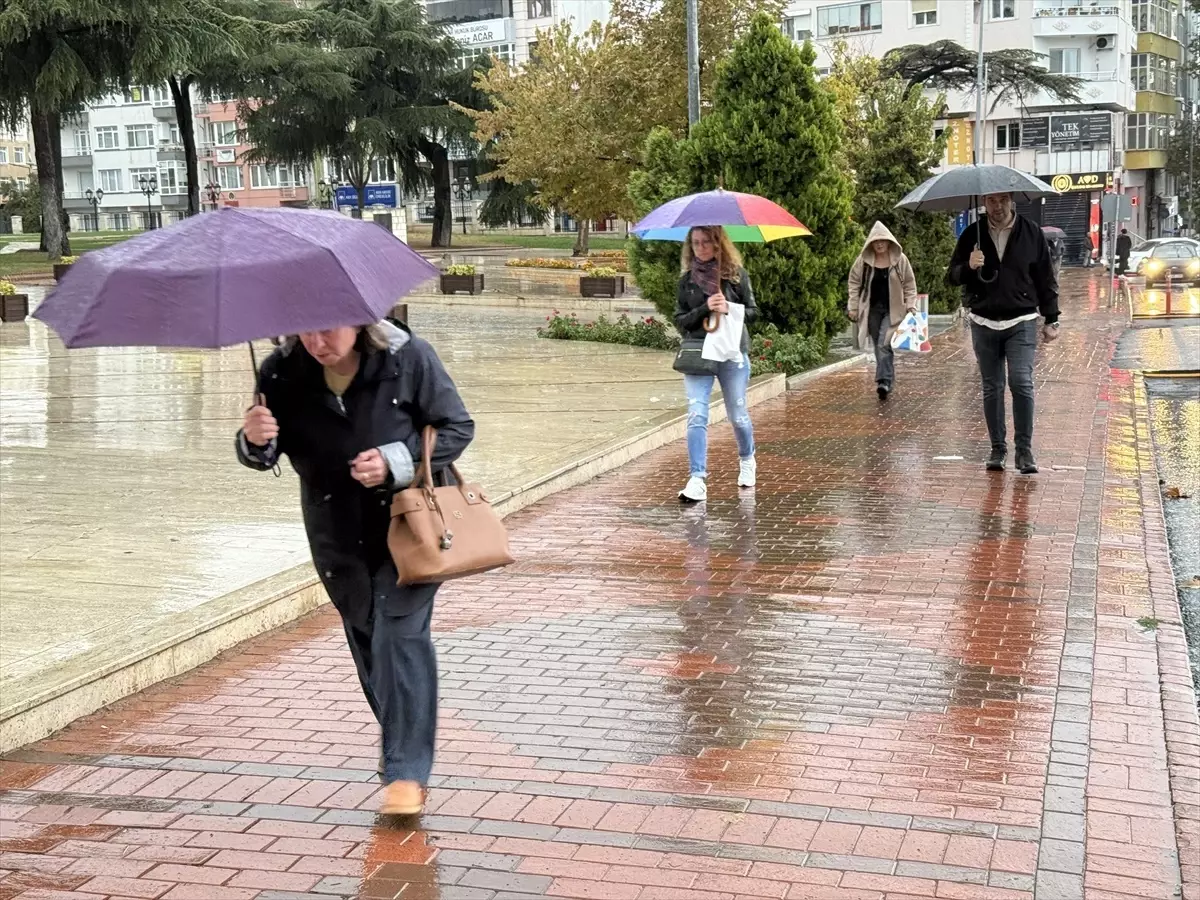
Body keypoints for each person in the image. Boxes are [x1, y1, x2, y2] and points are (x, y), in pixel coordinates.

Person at [236, 320, 474, 817]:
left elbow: (456, 426)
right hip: (336, 535)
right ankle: (401, 741)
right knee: (369, 640)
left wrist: (394, 462)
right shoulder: (280, 371)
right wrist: (254, 440)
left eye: (327, 330)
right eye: (304, 331)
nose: (316, 342)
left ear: (359, 320)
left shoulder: (408, 357)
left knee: (398, 635)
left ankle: (406, 773)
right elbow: (266, 453)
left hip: (410, 526)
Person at [948, 192, 1060, 475]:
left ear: (1012, 201)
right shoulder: (971, 234)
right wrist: (969, 267)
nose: (997, 206)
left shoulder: (1031, 232)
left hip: (1021, 319)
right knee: (992, 387)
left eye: (1002, 200)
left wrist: (1052, 318)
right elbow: (951, 276)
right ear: (984, 202)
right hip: (983, 320)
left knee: (1021, 382)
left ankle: (1024, 450)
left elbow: (1045, 276)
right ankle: (997, 448)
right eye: (991, 201)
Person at [674, 225, 759, 504]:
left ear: (718, 243)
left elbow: (754, 312)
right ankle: (697, 479)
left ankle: (747, 458)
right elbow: (681, 321)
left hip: (732, 353)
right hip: (699, 353)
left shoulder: (735, 276)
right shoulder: (687, 280)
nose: (700, 248)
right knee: (697, 414)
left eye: (706, 242)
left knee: (738, 415)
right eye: (695, 243)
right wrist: (705, 307)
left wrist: (729, 308)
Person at [847, 221, 918, 400]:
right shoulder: (863, 261)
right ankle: (888, 378)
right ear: (870, 243)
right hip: (871, 310)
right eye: (875, 241)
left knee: (883, 343)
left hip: (893, 310)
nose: (879, 244)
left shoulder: (900, 260)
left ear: (889, 241)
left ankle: (883, 381)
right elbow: (854, 283)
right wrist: (853, 307)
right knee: (878, 344)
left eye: (882, 240)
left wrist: (911, 304)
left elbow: (909, 284)